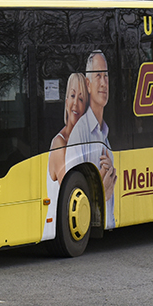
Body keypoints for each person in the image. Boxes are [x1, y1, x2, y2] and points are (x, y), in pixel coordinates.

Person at [64, 51, 116, 229]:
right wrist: (102, 191)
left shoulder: (105, 133)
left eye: (106, 76)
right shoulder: (80, 134)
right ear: (88, 83)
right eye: (98, 76)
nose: (103, 83)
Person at [42, 73, 89, 241]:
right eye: (72, 95)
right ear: (66, 100)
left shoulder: (84, 141)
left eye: (81, 99)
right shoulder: (59, 144)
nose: (75, 103)